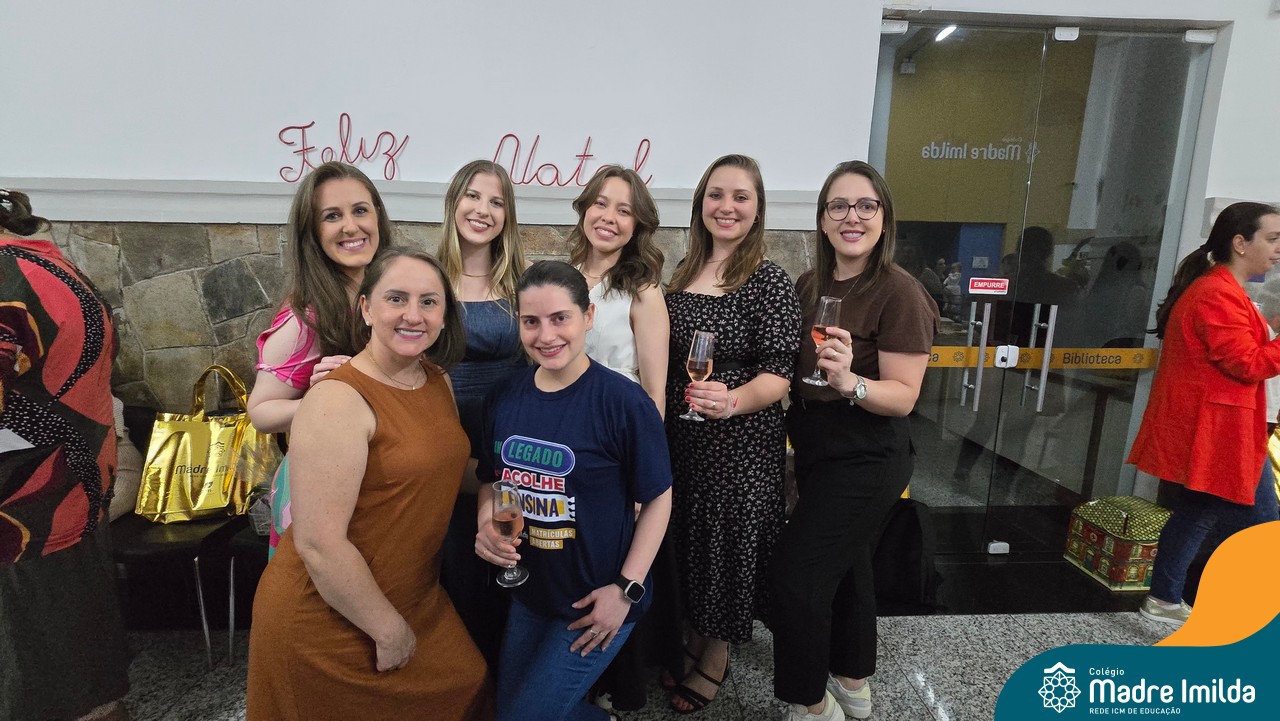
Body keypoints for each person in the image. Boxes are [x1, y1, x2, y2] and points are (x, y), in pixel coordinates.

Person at [247, 249, 490, 720]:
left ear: (444, 315)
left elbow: (444, 465)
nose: (413, 315)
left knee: (469, 683)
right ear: (366, 308)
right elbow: (319, 544)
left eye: (429, 302)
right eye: (396, 299)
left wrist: (508, 481)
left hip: (416, 595)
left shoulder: (435, 379)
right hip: (330, 615)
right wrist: (386, 629)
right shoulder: (336, 400)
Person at [769, 161, 939, 721]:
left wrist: (851, 383)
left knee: (796, 577)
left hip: (868, 450)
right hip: (816, 444)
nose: (852, 217)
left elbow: (904, 396)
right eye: (839, 206)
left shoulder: (900, 292)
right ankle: (852, 681)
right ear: (822, 219)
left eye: (867, 206)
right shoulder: (810, 284)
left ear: (884, 218)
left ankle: (811, 704)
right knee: (848, 565)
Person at [475, 261, 673, 721]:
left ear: (588, 317)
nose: (546, 335)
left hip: (597, 598)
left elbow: (659, 498)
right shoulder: (504, 396)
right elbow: (492, 479)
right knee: (509, 711)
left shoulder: (624, 402)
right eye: (531, 321)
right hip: (530, 593)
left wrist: (625, 590)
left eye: (560, 318)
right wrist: (485, 520)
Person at [663, 154, 802, 713]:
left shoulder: (768, 279)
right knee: (691, 537)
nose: (727, 206)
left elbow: (780, 373)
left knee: (727, 543)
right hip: (684, 438)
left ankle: (716, 654)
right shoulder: (682, 272)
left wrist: (732, 401)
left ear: (758, 209)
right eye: (716, 195)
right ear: (701, 202)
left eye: (741, 197)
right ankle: (695, 634)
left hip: (741, 445)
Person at [1, 189, 130, 721]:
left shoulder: (6, 278)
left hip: (21, 513)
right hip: (69, 493)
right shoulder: (46, 261)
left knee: (39, 680)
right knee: (84, 671)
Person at [1128, 202, 1280, 628]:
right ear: (1240, 243)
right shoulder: (1216, 293)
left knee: (1202, 514)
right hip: (1220, 430)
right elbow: (1247, 363)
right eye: (1272, 239)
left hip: (1227, 428)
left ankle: (1165, 598)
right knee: (1260, 525)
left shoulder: (1223, 290)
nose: (1278, 249)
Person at [566, 165, 674, 712]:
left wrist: (640, 472)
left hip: (616, 443)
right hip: (565, 438)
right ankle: (569, 679)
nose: (609, 217)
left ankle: (612, 689)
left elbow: (654, 392)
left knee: (611, 560)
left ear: (638, 225)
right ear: (585, 208)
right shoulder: (562, 276)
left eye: (624, 210)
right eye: (601, 203)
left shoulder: (643, 289)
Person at [246, 161, 394, 555]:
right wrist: (327, 398)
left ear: (378, 216)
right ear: (312, 231)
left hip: (381, 489)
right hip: (323, 496)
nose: (350, 226)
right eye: (332, 216)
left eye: (360, 210)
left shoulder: (393, 295)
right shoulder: (304, 318)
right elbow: (260, 412)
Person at [436, 159, 529, 669]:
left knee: (511, 558)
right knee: (457, 566)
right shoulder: (429, 279)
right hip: (444, 436)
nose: (483, 210)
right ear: (454, 202)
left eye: (496, 202)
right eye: (473, 196)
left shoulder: (520, 283)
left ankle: (513, 679)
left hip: (509, 437)